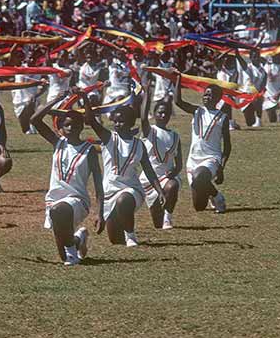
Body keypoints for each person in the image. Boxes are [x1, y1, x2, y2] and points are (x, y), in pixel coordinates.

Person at [30, 91, 103, 266]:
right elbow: (35, 120)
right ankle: (78, 238)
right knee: (62, 251)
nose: (71, 128)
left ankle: (72, 256)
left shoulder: (89, 150)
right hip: (54, 201)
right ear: (61, 127)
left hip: (77, 201)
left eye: (75, 125)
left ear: (82, 127)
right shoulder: (58, 143)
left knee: (59, 212)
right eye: (67, 125)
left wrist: (101, 213)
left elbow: (99, 183)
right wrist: (56, 99)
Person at [82, 97, 164, 247]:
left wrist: (160, 191)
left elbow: (149, 170)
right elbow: (91, 121)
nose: (117, 125)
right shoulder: (109, 138)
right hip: (109, 192)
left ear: (131, 123)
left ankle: (131, 236)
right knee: (115, 240)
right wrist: (84, 98)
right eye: (115, 121)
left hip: (132, 191)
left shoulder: (139, 145)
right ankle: (121, 229)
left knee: (124, 200)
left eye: (121, 121)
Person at [175, 79, 231, 214]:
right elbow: (178, 102)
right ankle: (210, 194)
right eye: (205, 94)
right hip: (193, 159)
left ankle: (218, 197)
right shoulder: (197, 111)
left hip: (211, 158)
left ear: (218, 98)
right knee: (199, 207)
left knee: (199, 176)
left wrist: (221, 168)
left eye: (211, 95)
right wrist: (178, 80)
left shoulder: (222, 117)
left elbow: (227, 146)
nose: (207, 97)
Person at [140, 82, 182, 230]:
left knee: (173, 185)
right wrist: (147, 95)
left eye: (166, 113)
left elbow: (179, 164)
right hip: (149, 180)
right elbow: (143, 118)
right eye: (160, 112)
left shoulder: (175, 136)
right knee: (156, 225)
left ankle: (168, 217)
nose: (163, 115)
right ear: (154, 114)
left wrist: (175, 172)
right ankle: (159, 215)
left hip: (167, 178)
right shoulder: (149, 131)